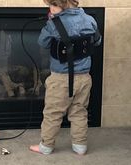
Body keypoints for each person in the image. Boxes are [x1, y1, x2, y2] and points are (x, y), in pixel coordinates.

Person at [30, 0, 101, 155]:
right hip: (84, 77)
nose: (49, 8)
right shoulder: (89, 20)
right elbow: (97, 41)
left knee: (53, 113)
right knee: (79, 111)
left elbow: (42, 42)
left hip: (61, 78)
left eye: (51, 5)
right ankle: (80, 146)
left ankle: (46, 146)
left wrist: (50, 22)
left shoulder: (54, 23)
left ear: (61, 4)